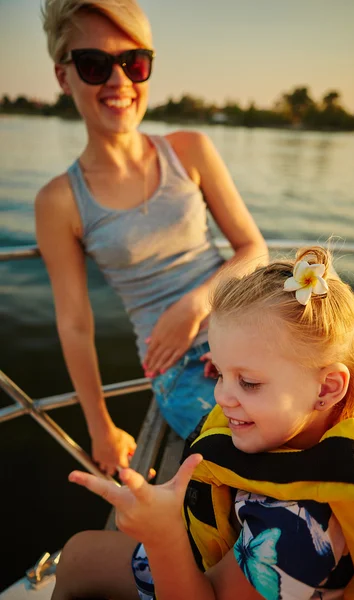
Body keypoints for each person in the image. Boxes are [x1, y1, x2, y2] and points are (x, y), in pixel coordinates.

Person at [52, 245, 354, 599]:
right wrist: (238, 366)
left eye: (249, 382)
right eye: (220, 373)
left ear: (327, 388)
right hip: (206, 555)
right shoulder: (319, 423)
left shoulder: (304, 532)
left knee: (78, 560)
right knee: (77, 555)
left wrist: (162, 537)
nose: (221, 396)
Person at [36, 0, 267, 475]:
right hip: (178, 366)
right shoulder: (59, 200)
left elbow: (253, 248)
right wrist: (100, 427)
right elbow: (75, 325)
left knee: (335, 421)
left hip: (246, 326)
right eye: (94, 65)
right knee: (262, 457)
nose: (119, 81)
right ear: (64, 77)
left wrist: (196, 305)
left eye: (133, 63)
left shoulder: (190, 150)